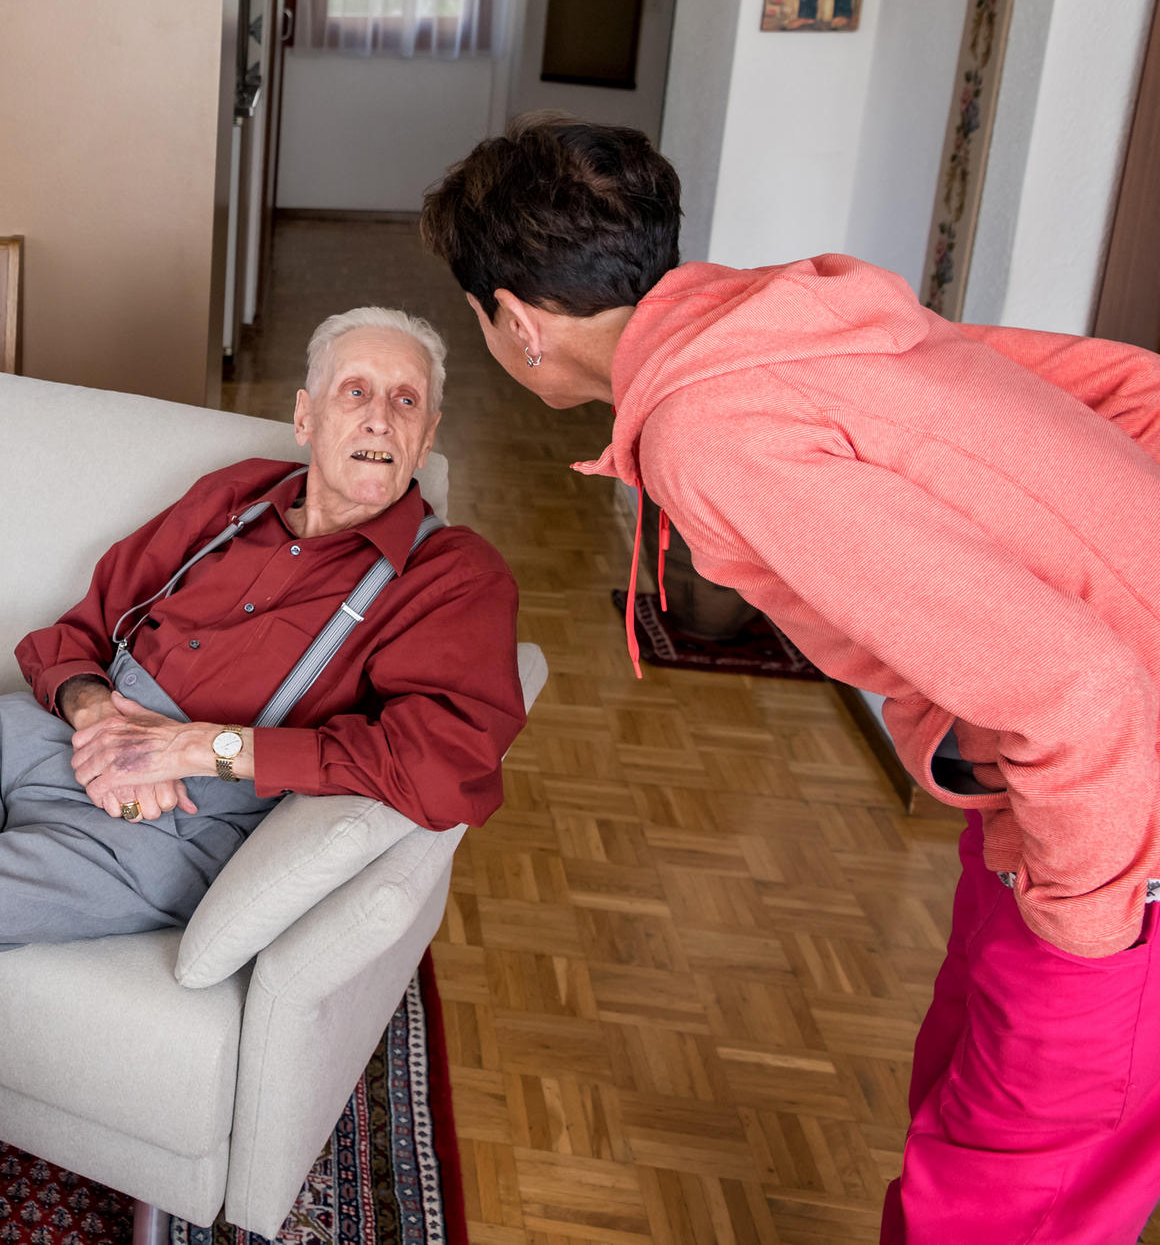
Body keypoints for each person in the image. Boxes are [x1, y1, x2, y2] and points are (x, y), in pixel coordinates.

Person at [420, 115, 1160, 1243]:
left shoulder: (706, 428)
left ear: (516, 323)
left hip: (1114, 828)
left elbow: (1084, 692)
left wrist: (1082, 932)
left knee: (1006, 1200)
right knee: (956, 1109)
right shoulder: (788, 309)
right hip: (1046, 791)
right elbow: (1131, 388)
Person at [0, 309, 525, 1081]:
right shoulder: (233, 497)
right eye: (357, 391)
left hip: (168, 822)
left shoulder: (451, 574)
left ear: (428, 434)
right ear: (307, 418)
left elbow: (446, 761)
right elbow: (78, 629)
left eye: (406, 399)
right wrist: (93, 710)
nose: (381, 416)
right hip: (38, 739)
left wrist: (199, 746)